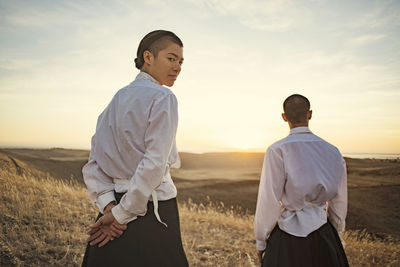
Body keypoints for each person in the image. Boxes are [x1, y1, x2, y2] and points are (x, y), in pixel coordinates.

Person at [81, 30, 188, 267]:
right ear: (148, 57)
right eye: (171, 58)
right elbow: (154, 163)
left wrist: (110, 206)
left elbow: (93, 162)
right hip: (152, 209)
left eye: (181, 61)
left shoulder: (116, 98)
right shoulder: (164, 97)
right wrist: (120, 214)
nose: (178, 67)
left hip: (114, 208)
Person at [254, 94, 349, 267]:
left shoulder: (277, 150)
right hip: (324, 235)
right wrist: (336, 235)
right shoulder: (333, 151)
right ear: (310, 114)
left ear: (284, 117)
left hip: (286, 237)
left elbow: (269, 200)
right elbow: (339, 200)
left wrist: (261, 241)